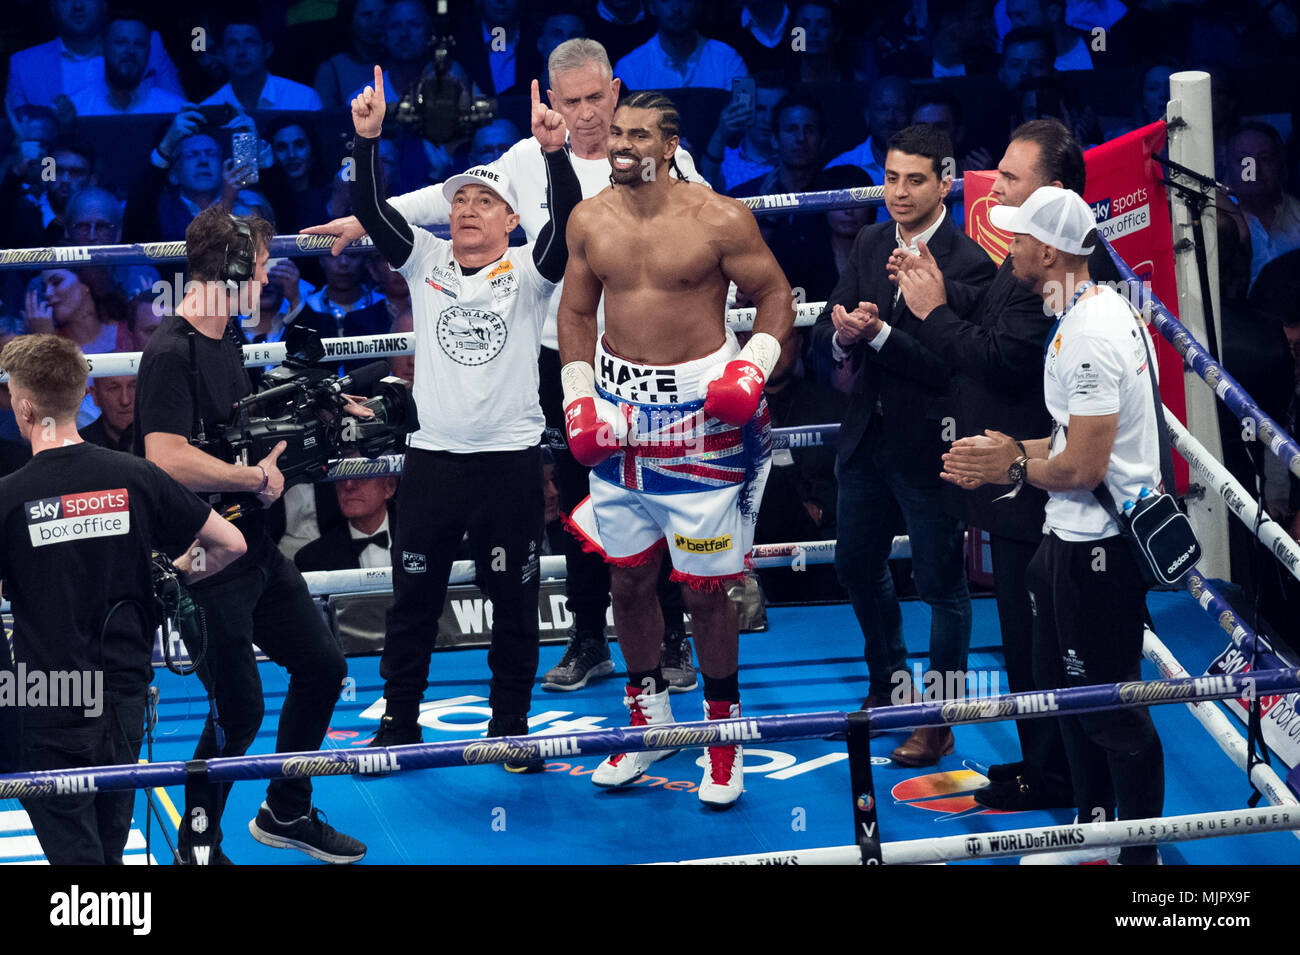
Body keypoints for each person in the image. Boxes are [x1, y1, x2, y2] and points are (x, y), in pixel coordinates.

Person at [304, 38, 709, 694]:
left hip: (645, 358)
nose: (583, 114)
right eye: (569, 101)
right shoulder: (526, 159)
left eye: (593, 98)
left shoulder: (665, 158)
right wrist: (360, 218)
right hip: (565, 357)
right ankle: (587, 638)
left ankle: (671, 637)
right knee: (579, 502)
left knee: (650, 493)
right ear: (551, 101)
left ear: (616, 90)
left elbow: (711, 223)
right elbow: (447, 199)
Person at [557, 90, 795, 807]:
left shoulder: (718, 216)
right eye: (614, 133)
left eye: (635, 134)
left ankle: (722, 739)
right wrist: (578, 394)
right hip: (621, 412)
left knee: (705, 589)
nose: (619, 144)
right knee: (626, 579)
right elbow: (574, 309)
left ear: (668, 144)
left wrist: (749, 367)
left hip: (702, 421)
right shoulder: (588, 216)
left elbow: (776, 294)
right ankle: (648, 720)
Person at [349, 66, 582, 771]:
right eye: (460, 200)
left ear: (512, 218)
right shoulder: (425, 259)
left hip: (509, 466)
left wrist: (553, 154)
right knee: (412, 598)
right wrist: (367, 140)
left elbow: (569, 223)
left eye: (486, 200)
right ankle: (398, 722)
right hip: (433, 462)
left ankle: (510, 724)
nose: (468, 209)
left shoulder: (530, 271)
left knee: (513, 603)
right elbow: (371, 208)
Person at [942, 185, 1166, 866]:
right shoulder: (1082, 314)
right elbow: (1067, 442)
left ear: (1049, 250)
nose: (1008, 249)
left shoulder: (1091, 335)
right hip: (1066, 541)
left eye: (1017, 239)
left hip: (1098, 547)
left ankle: (1140, 856)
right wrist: (1004, 453)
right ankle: (1092, 831)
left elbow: (1085, 466)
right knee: (1065, 691)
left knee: (1112, 706)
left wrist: (1013, 466)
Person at [135, 206, 365, 864]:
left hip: (254, 543)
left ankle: (286, 809)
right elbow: (164, 456)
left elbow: (243, 431)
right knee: (238, 711)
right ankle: (196, 845)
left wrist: (315, 406)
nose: (266, 275)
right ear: (233, 267)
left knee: (322, 666)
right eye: (260, 262)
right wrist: (247, 477)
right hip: (201, 556)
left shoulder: (228, 337)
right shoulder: (169, 352)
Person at [887, 118, 1085, 808]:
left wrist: (934, 310)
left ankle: (1058, 775)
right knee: (1023, 635)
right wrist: (941, 287)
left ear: (1053, 193)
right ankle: (1040, 762)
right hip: (1012, 481)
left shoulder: (1054, 275)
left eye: (1009, 176)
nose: (993, 184)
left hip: (1036, 480)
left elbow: (1004, 357)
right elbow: (992, 315)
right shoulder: (1026, 253)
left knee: (1042, 636)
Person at [0, 333, 245, 865]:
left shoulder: (9, 499)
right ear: (83, 393)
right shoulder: (134, 476)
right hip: (127, 689)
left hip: (49, 696)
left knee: (78, 861)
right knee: (108, 854)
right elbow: (229, 543)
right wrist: (176, 576)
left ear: (23, 407)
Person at [810, 123, 995, 767]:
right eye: (891, 177)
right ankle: (891, 687)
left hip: (936, 444)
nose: (899, 191)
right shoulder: (866, 241)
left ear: (945, 182)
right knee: (855, 565)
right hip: (867, 437)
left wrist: (881, 334)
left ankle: (941, 717)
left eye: (915, 179)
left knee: (942, 585)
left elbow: (952, 363)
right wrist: (842, 333)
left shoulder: (968, 262)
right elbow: (833, 324)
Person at [613, 0, 748, 91]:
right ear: (652, 6)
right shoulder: (630, 69)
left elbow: (744, 123)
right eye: (666, 0)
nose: (676, 8)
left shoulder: (728, 61)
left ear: (698, 4)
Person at [68, 12, 186, 116]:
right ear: (103, 46)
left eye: (139, 44)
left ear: (149, 50)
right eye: (121, 42)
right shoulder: (77, 109)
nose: (131, 51)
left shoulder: (173, 109)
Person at [202, 15, 323, 112]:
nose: (241, 52)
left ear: (267, 50)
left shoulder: (303, 99)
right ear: (221, 53)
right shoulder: (209, 109)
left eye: (250, 42)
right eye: (232, 44)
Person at [295, 472, 398, 573]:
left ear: (390, 485)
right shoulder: (311, 559)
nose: (348, 485)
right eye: (341, 476)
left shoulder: (413, 540)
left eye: (362, 475)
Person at [825, 75, 913, 186]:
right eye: (882, 109)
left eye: (899, 110)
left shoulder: (925, 166)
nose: (890, 118)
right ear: (867, 115)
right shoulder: (840, 167)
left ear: (911, 116)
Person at [79, 375, 136, 452]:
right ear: (95, 395)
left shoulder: (156, 441)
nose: (125, 400)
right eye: (114, 388)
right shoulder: (76, 446)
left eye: (133, 386)